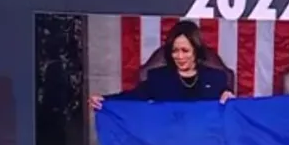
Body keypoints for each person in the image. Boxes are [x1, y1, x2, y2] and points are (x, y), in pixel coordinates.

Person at [89, 19, 233, 108]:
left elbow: (229, 111)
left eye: (185, 51)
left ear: (196, 50)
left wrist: (230, 100)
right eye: (175, 51)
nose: (180, 56)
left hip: (205, 142)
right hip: (168, 143)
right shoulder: (158, 78)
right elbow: (132, 97)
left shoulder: (216, 78)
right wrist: (105, 100)